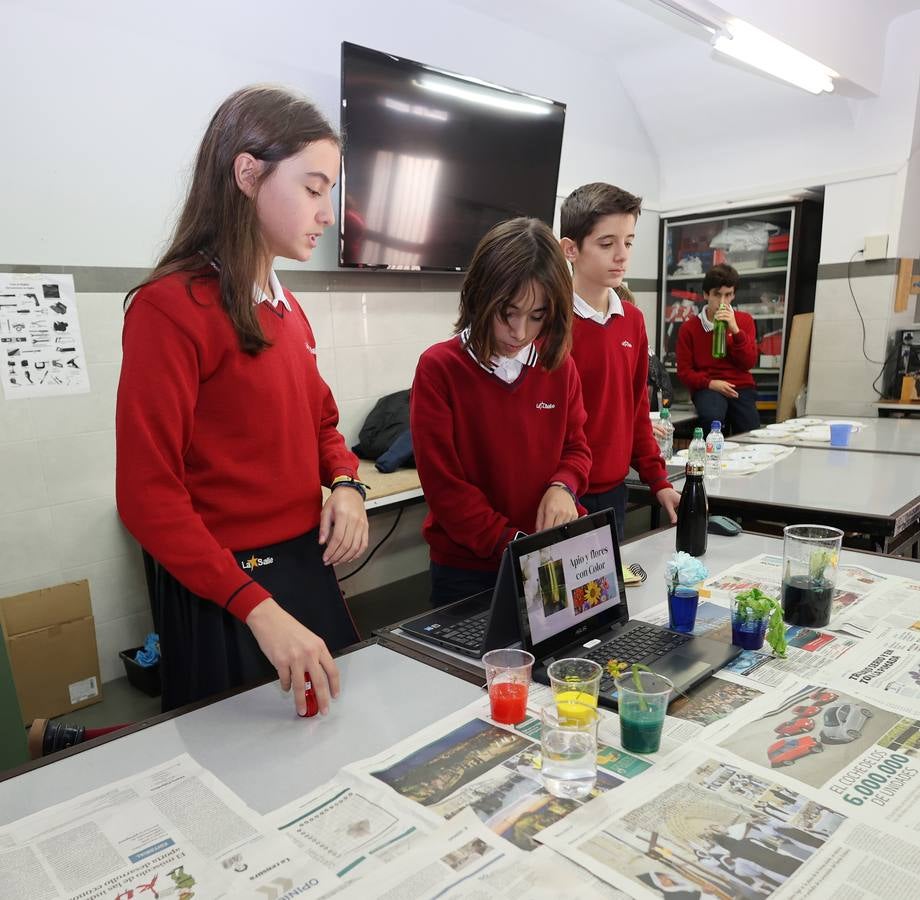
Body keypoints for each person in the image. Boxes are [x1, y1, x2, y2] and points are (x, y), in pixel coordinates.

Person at [116, 86, 368, 716]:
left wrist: (344, 484)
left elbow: (323, 424)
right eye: (313, 189)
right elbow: (147, 495)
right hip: (227, 587)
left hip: (302, 567)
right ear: (248, 175)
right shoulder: (170, 308)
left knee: (333, 736)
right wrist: (254, 605)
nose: (328, 213)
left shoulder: (287, 310)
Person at [411, 217, 592, 607]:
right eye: (506, 313)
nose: (520, 331)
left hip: (550, 557)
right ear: (480, 296)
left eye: (537, 316)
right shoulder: (440, 368)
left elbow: (577, 449)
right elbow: (446, 489)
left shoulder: (558, 366)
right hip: (469, 570)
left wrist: (563, 487)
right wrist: (513, 544)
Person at [559, 183, 680, 540]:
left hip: (614, 489)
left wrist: (657, 479)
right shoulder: (551, 320)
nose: (622, 255)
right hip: (563, 493)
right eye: (606, 243)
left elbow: (636, 406)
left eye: (628, 242)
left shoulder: (631, 318)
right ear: (571, 249)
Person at [676, 263, 760, 435]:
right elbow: (684, 372)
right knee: (712, 418)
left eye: (728, 295)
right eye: (717, 295)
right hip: (708, 386)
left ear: (734, 295)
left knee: (750, 428)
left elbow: (748, 363)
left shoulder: (744, 321)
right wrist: (710, 383)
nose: (722, 302)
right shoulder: (689, 328)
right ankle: (713, 458)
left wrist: (735, 330)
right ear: (706, 294)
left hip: (739, 386)